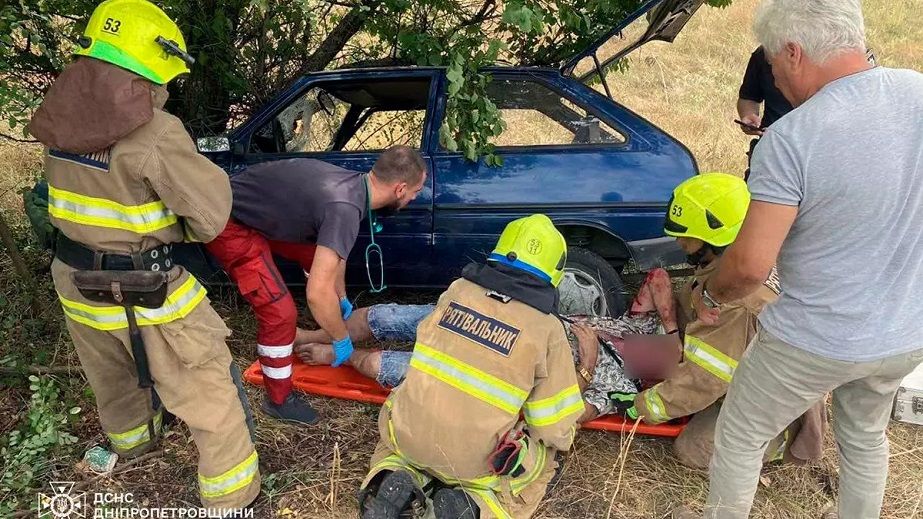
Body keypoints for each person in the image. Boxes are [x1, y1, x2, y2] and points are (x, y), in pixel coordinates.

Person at [299, 174, 824, 471]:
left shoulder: (726, 319)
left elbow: (688, 384)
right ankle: (337, 333)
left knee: (445, 364)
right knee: (434, 317)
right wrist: (657, 314)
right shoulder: (714, 282)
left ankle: (341, 351)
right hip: (565, 330)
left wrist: (603, 372)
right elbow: (686, 343)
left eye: (687, 238)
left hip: (732, 384)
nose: (681, 246)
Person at [26, 0, 259, 511]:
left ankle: (135, 449)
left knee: (112, 376)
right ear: (150, 69)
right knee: (207, 383)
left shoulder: (59, 118)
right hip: (146, 287)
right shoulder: (156, 132)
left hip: (75, 280)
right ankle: (231, 495)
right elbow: (211, 213)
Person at [696, 1, 923, 517]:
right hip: (907, 332)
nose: (774, 81)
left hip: (816, 340)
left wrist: (710, 294)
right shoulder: (918, 90)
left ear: (794, 53)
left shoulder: (792, 138)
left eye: (774, 68)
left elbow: (752, 267)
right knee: (865, 437)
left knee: (742, 434)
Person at [357, 214, 583, 519]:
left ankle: (391, 475)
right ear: (554, 272)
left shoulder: (457, 291)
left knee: (395, 448)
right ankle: (474, 506)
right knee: (544, 461)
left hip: (408, 432)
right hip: (474, 462)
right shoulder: (547, 329)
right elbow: (553, 427)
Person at [205, 147, 427, 425]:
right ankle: (278, 400)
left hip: (254, 212)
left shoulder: (355, 186)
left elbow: (335, 252)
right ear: (400, 189)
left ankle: (311, 329)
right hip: (229, 222)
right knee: (280, 313)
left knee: (317, 259)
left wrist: (341, 297)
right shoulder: (345, 207)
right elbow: (316, 293)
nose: (415, 198)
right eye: (416, 192)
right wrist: (341, 340)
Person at [737, 46, 794, 180]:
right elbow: (749, 97)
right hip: (770, 155)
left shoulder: (834, 57)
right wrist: (749, 115)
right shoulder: (765, 52)